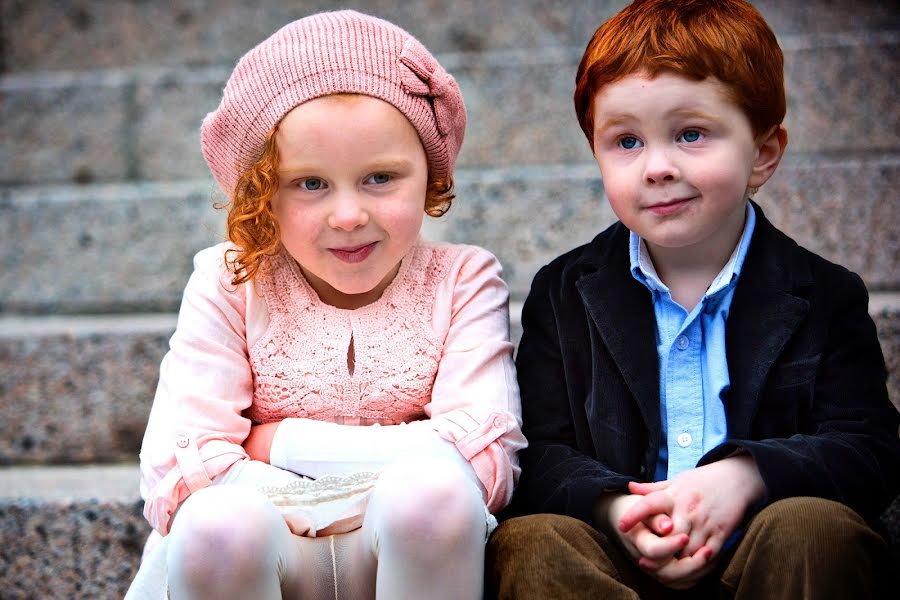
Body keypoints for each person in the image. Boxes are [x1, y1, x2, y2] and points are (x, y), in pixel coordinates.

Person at [486, 0, 900, 598]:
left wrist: (749, 476)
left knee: (814, 527)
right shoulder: (562, 291)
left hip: (761, 556)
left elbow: (870, 450)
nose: (657, 167)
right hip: (615, 563)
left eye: (690, 134)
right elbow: (537, 454)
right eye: (626, 141)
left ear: (763, 152)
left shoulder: (825, 294)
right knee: (531, 540)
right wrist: (612, 510)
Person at [124, 10, 526, 600]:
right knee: (215, 521)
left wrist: (278, 444)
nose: (347, 215)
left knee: (436, 495)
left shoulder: (462, 278)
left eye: (380, 177)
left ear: (429, 179)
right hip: (260, 557)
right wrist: (390, 462)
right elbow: (181, 468)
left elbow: (485, 459)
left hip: (409, 553)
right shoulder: (231, 279)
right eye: (310, 183)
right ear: (264, 193)